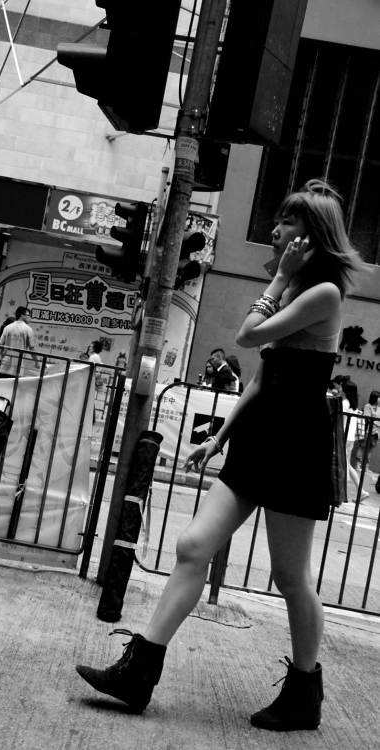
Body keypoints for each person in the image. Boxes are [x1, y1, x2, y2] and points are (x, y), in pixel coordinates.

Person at [75, 179, 363, 731]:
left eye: (286, 222)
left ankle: (305, 693)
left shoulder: (323, 293)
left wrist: (278, 278)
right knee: (193, 545)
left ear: (310, 235)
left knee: (290, 577)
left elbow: (247, 337)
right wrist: (219, 438)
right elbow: (259, 380)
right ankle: (138, 673)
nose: (275, 230)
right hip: (259, 438)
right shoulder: (295, 288)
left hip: (297, 445)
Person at [339, 380, 368, 502]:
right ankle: (361, 491)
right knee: (346, 464)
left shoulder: (344, 404)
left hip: (343, 437)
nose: (339, 389)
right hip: (350, 438)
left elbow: (339, 421)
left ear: (345, 390)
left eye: (341, 388)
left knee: (343, 464)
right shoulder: (353, 405)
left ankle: (347, 492)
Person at [0, 306, 40, 377]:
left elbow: (0, 345)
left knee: (2, 382)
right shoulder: (28, 330)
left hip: (5, 363)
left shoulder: (7, 328)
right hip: (18, 365)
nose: (30, 318)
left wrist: (1, 357)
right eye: (29, 315)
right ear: (22, 316)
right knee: (14, 383)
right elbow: (32, 348)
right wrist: (36, 362)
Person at [355, 390, 380, 476]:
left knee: (370, 449)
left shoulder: (379, 408)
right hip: (367, 430)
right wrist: (377, 423)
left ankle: (366, 467)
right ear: (375, 398)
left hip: (376, 433)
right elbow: (368, 417)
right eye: (379, 397)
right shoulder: (367, 406)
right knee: (362, 447)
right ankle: (357, 465)